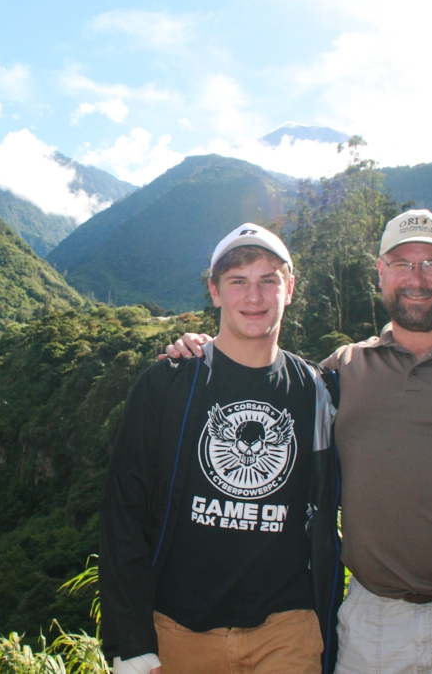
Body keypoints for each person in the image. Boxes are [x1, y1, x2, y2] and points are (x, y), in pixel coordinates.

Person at [166, 209, 432, 674]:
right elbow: (266, 379)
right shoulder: (344, 368)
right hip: (374, 620)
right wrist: (202, 348)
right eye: (403, 264)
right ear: (381, 273)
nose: (417, 278)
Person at [99, 224, 344, 674]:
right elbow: (123, 514)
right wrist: (130, 641)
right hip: (179, 631)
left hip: (287, 629)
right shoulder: (169, 384)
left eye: (268, 279)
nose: (254, 297)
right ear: (214, 291)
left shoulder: (317, 391)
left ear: (288, 289)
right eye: (238, 281)